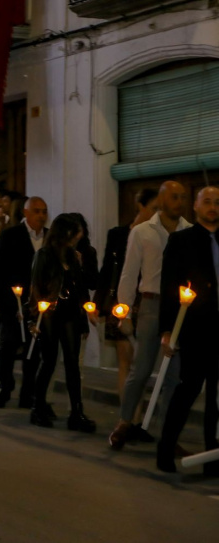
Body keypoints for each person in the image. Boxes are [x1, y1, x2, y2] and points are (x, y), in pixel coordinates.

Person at [107, 181, 190, 450]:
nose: (179, 202)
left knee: (174, 375)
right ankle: (125, 421)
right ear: (162, 201)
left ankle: (168, 434)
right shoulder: (142, 232)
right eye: (174, 197)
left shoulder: (189, 231)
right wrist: (125, 312)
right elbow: (129, 273)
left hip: (179, 308)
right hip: (151, 305)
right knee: (141, 369)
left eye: (183, 197)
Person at [156, 186, 219, 474]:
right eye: (207, 202)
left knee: (217, 397)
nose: (213, 207)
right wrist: (168, 330)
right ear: (195, 206)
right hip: (196, 327)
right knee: (189, 389)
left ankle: (212, 457)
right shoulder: (182, 240)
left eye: (217, 202)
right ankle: (165, 450)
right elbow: (170, 286)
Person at [28, 214, 96, 432]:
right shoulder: (44, 255)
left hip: (71, 314)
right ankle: (38, 407)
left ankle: (76, 412)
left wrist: (84, 317)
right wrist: (33, 319)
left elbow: (80, 288)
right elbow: (35, 288)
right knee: (49, 361)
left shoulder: (73, 256)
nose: (79, 236)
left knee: (72, 363)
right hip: (49, 314)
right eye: (75, 231)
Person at [96, 188, 158, 401]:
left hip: (147, 300)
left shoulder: (160, 234)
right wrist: (98, 304)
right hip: (122, 301)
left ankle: (135, 411)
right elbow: (107, 269)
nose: (158, 214)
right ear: (141, 206)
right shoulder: (118, 234)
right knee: (126, 359)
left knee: (141, 363)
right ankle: (128, 412)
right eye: (154, 208)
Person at [0, 197, 49, 408]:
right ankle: (5, 387)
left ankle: (27, 393)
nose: (41, 216)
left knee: (34, 350)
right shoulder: (11, 235)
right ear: (26, 212)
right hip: (12, 302)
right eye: (37, 211)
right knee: (8, 346)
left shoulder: (49, 236)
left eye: (44, 211)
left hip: (38, 305)